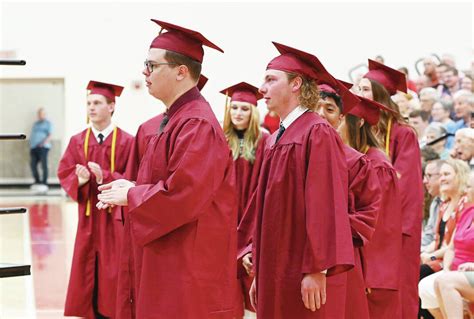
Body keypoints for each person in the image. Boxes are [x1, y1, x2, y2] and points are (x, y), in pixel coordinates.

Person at [96, 19, 236, 318]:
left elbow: (185, 194)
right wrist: (127, 189)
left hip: (186, 261)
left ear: (181, 72)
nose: (144, 72)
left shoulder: (195, 122)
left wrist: (132, 195)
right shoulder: (174, 119)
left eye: (151, 65)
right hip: (167, 255)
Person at [248, 42, 354, 319]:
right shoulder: (276, 137)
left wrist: (317, 268)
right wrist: (260, 271)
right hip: (275, 269)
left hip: (300, 269)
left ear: (296, 84)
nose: (261, 88)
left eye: (271, 80)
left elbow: (325, 204)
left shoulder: (316, 132)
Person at [57, 80, 133, 318]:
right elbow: (65, 171)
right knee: (87, 265)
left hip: (115, 218)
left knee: (113, 267)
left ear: (111, 106)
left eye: (97, 103)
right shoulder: (78, 140)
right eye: (89, 103)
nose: (91, 107)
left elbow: (133, 177)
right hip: (89, 217)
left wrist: (104, 176)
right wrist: (79, 180)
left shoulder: (127, 141)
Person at [359, 59, 424, 319]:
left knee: (394, 289)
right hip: (369, 223)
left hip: (394, 227)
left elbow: (406, 187)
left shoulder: (402, 133)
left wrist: (399, 230)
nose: (359, 95)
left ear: (380, 95)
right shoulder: (360, 130)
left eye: (365, 90)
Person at [317, 82, 381, 319]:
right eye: (316, 106)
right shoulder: (288, 150)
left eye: (330, 109)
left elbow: (368, 214)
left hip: (338, 261)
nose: (321, 113)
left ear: (342, 117)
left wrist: (325, 231)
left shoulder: (355, 162)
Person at [219, 81, 269, 318]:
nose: (238, 113)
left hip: (251, 221)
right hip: (222, 222)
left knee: (249, 277)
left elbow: (263, 185)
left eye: (245, 109)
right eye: (235, 107)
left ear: (254, 112)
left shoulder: (264, 141)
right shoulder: (218, 138)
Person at [418, 168, 473, 318]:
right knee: (436, 282)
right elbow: (451, 248)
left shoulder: (461, 207)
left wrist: (432, 256)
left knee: (435, 278)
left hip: (467, 268)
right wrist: (448, 269)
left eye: (469, 187)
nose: (466, 191)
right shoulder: (466, 212)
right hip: (454, 266)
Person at [421, 160, 443, 251]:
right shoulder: (435, 202)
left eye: (429, 176)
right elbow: (429, 234)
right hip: (431, 254)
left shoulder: (459, 204)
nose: (424, 181)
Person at [29, 107, 52, 190]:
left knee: (44, 165)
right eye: (39, 114)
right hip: (33, 147)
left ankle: (44, 182)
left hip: (43, 147)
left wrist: (43, 143)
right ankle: (37, 181)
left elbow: (49, 135)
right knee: (33, 165)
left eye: (42, 114)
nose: (40, 115)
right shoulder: (35, 124)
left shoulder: (48, 123)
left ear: (44, 115)